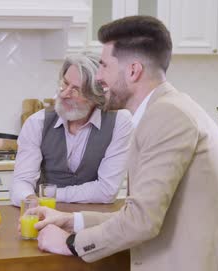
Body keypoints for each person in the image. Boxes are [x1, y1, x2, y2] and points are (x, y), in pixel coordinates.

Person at [32, 16, 218, 271]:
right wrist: (74, 220)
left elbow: (142, 221)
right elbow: (144, 210)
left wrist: (70, 242)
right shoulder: (164, 109)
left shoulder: (168, 117)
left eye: (105, 66)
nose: (99, 78)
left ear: (133, 70)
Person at [11, 53, 133, 207]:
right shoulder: (37, 123)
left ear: (96, 96)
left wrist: (48, 194)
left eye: (76, 90)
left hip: (94, 222)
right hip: (45, 218)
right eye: (65, 84)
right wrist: (30, 200)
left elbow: (106, 191)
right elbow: (21, 183)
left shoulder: (119, 122)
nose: (64, 94)